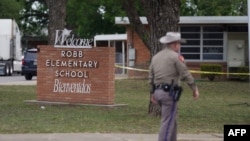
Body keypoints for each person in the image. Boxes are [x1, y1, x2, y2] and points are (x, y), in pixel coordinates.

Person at [148, 32, 199, 141]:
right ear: (175, 44)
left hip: (157, 91)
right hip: (169, 93)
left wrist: (152, 92)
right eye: (179, 44)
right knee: (167, 121)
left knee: (172, 119)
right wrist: (194, 88)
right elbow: (185, 73)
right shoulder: (176, 57)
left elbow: (150, 76)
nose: (179, 46)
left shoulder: (156, 57)